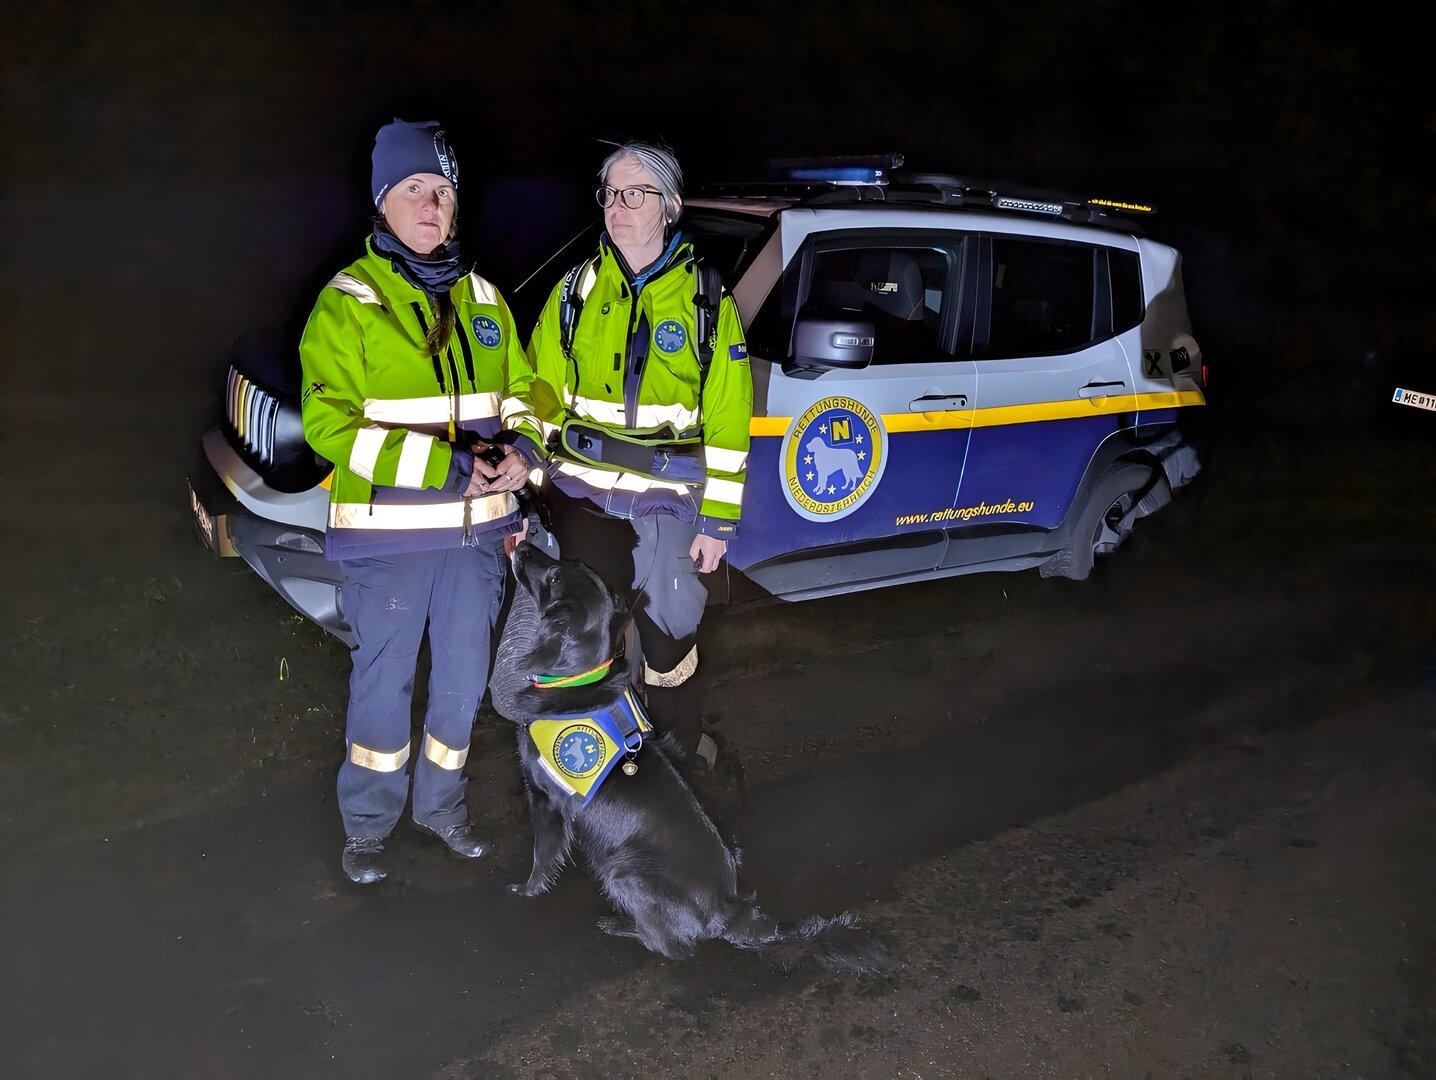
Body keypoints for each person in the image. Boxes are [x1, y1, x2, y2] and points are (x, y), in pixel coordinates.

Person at [299, 119, 542, 884]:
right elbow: (327, 423)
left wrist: (526, 453)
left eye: (443, 192)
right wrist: (439, 467)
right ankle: (369, 826)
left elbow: (530, 391)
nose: (432, 204)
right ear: (383, 202)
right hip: (391, 545)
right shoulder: (349, 302)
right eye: (416, 190)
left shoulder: (483, 297)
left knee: (463, 685)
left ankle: (443, 811)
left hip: (477, 544)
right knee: (384, 687)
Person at [521, 141, 752, 764]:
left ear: (669, 206)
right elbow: (538, 396)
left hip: (670, 507)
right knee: (589, 644)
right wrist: (530, 489)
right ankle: (598, 771)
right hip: (584, 501)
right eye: (610, 194)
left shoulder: (706, 299)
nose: (617, 207)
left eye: (634, 194)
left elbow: (729, 417)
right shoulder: (575, 291)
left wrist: (718, 522)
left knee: (671, 639)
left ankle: (675, 764)